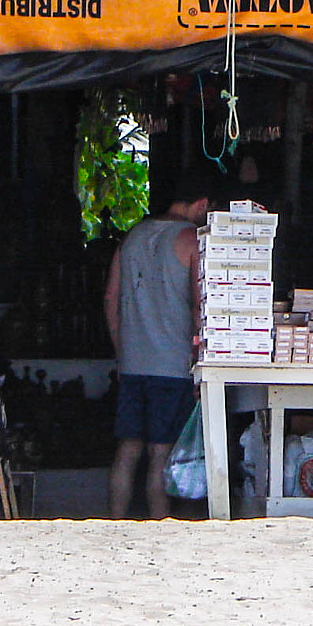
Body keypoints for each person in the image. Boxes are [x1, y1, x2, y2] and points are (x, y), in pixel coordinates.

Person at [104, 170, 209, 519]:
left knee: (127, 450)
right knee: (161, 455)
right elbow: (199, 305)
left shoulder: (132, 236)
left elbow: (111, 299)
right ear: (202, 204)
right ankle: (160, 528)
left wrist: (122, 353)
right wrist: (199, 356)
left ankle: (115, 524)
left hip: (133, 364)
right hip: (172, 365)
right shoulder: (190, 238)